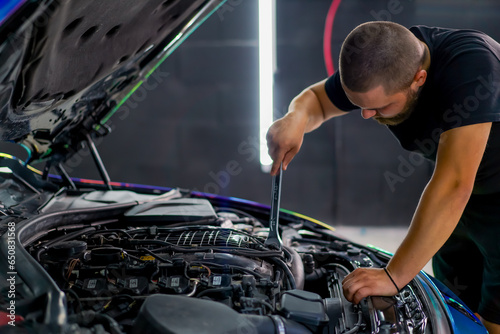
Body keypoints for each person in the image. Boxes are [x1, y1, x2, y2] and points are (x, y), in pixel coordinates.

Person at [266, 21, 500, 333]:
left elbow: (455, 183)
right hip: (465, 203)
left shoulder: (472, 64)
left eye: (380, 107)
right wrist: (295, 119)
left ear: (419, 79)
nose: (366, 114)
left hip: (483, 198)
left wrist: (393, 276)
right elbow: (318, 100)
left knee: (493, 320)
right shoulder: (382, 60)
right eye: (360, 105)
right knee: (456, 311)